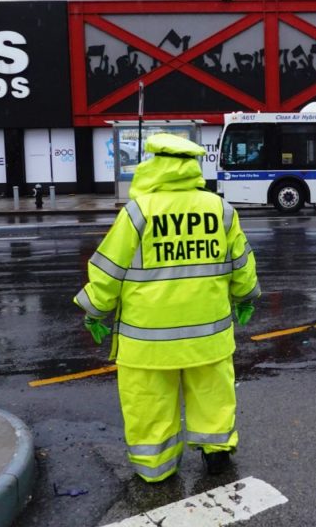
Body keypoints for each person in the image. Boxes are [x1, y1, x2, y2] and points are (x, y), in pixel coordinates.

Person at [74, 133, 260, 482]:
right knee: (213, 396)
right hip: (209, 335)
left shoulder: (138, 213)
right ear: (191, 168)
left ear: (154, 167)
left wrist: (96, 310)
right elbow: (241, 263)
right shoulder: (219, 209)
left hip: (147, 343)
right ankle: (216, 453)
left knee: (150, 404)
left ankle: (155, 471)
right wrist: (247, 295)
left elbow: (109, 270)